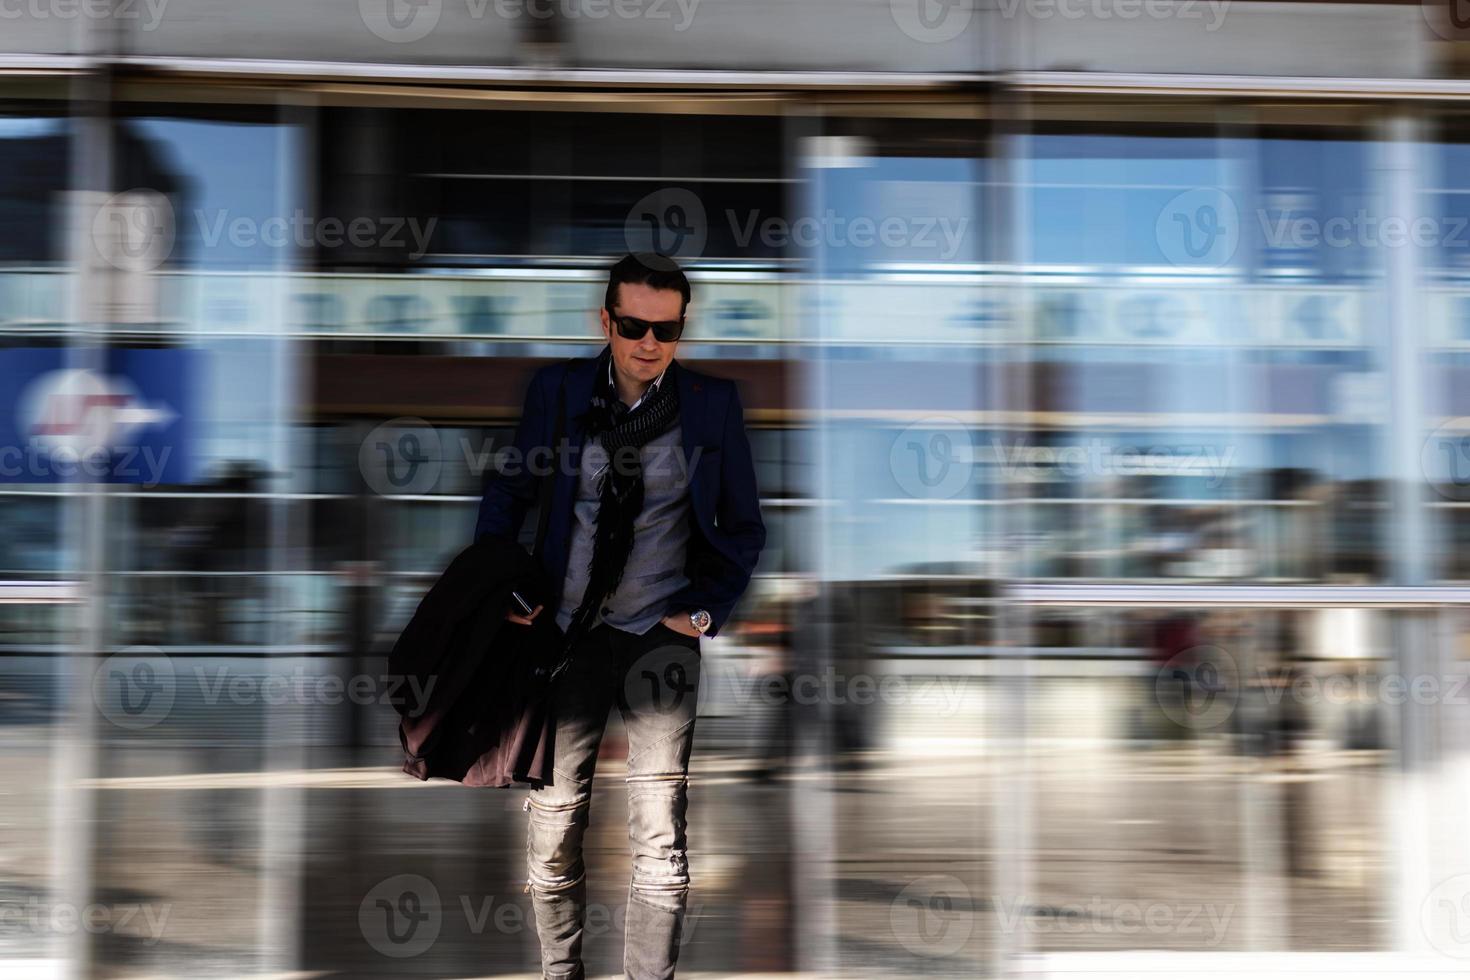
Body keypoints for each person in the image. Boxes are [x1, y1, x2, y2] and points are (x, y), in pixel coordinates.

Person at [475, 252, 767, 980]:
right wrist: (508, 589)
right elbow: (509, 494)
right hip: (566, 634)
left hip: (658, 642)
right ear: (604, 321)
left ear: (680, 330)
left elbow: (744, 526)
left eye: (664, 331)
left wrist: (701, 614)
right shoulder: (558, 391)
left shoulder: (711, 406)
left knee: (660, 837)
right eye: (633, 325)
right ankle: (560, 973)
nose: (647, 343)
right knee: (552, 823)